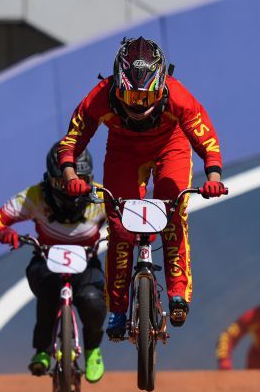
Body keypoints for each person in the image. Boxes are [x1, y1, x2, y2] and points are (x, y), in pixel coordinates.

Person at [55, 37, 227, 340]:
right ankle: (118, 309)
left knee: (173, 214)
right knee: (120, 228)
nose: (138, 104)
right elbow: (71, 142)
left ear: (161, 88)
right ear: (115, 85)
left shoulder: (178, 96)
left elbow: (207, 141)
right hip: (123, 151)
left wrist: (213, 178)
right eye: (130, 95)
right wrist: (70, 176)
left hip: (171, 147)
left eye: (146, 97)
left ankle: (177, 293)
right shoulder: (98, 97)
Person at [0, 144, 108, 382]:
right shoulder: (34, 196)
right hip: (46, 261)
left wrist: (132, 233)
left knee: (92, 300)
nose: (72, 190)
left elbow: (129, 218)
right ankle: (42, 350)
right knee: (49, 292)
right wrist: (3, 232)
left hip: (87, 263)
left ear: (90, 179)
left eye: (80, 181)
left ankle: (92, 350)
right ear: (50, 180)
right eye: (63, 183)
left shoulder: (101, 197)